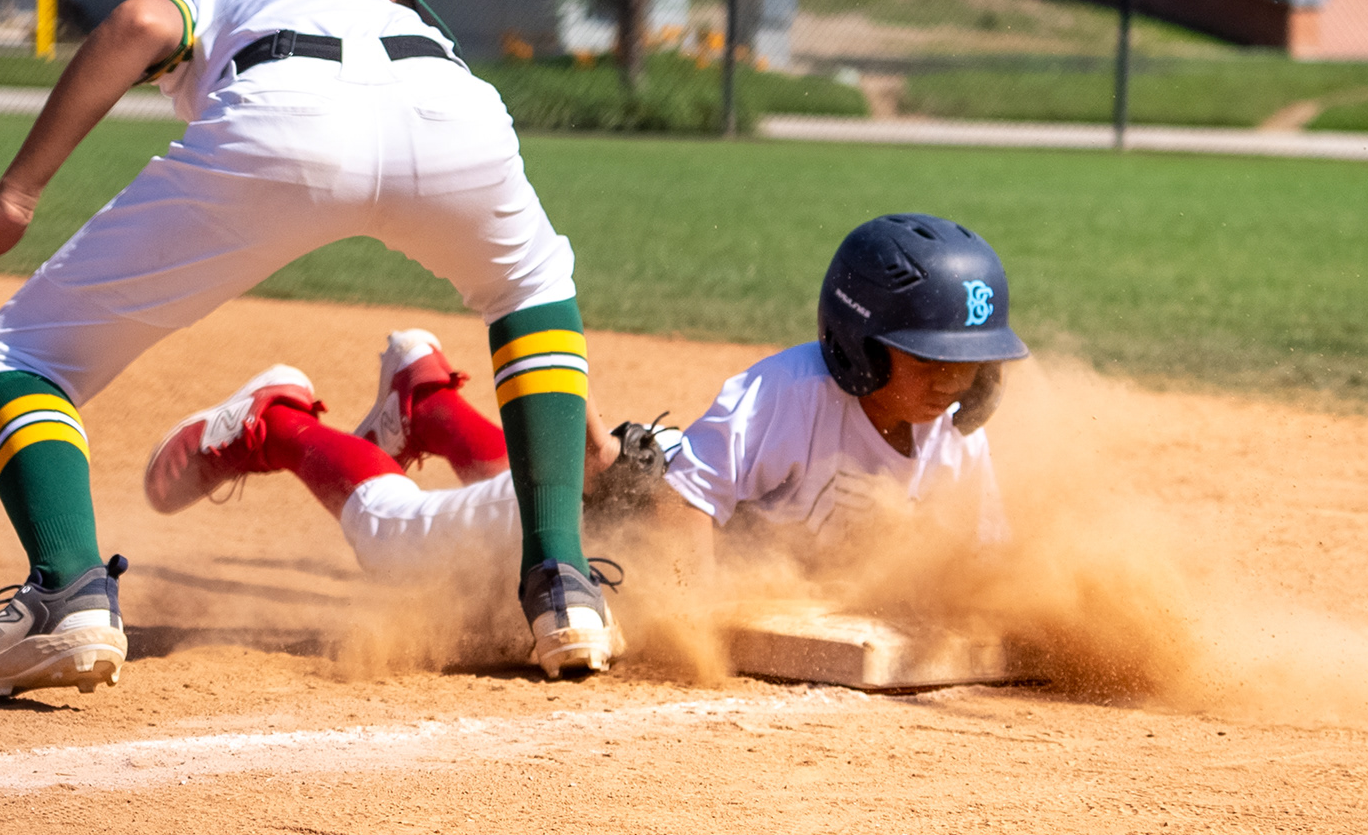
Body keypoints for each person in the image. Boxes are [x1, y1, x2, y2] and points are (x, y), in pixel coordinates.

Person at [0, 0, 610, 700]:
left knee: (16, 357)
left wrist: (15, 195)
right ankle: (563, 580)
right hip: (454, 113)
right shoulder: (411, 23)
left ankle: (68, 591)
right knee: (532, 292)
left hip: (282, 115)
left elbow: (137, 23)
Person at [141, 214, 1030, 589]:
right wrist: (701, 631)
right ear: (859, 343)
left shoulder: (952, 432)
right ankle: (278, 425)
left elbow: (979, 559)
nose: (954, 381)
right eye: (932, 359)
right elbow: (679, 522)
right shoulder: (786, 395)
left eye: (970, 362)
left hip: (611, 494)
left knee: (532, 471)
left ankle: (431, 409)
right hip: (594, 519)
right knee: (392, 542)